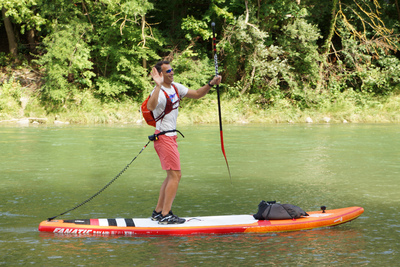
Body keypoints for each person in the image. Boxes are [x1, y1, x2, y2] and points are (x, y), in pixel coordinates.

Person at [147, 60, 222, 224]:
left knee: (170, 176)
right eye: (168, 71)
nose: (172, 73)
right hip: (164, 138)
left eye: (172, 70)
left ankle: (158, 212)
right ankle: (166, 215)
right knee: (176, 175)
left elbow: (196, 94)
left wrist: (211, 83)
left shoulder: (175, 87)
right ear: (160, 75)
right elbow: (151, 107)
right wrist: (158, 85)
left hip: (170, 137)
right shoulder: (158, 91)